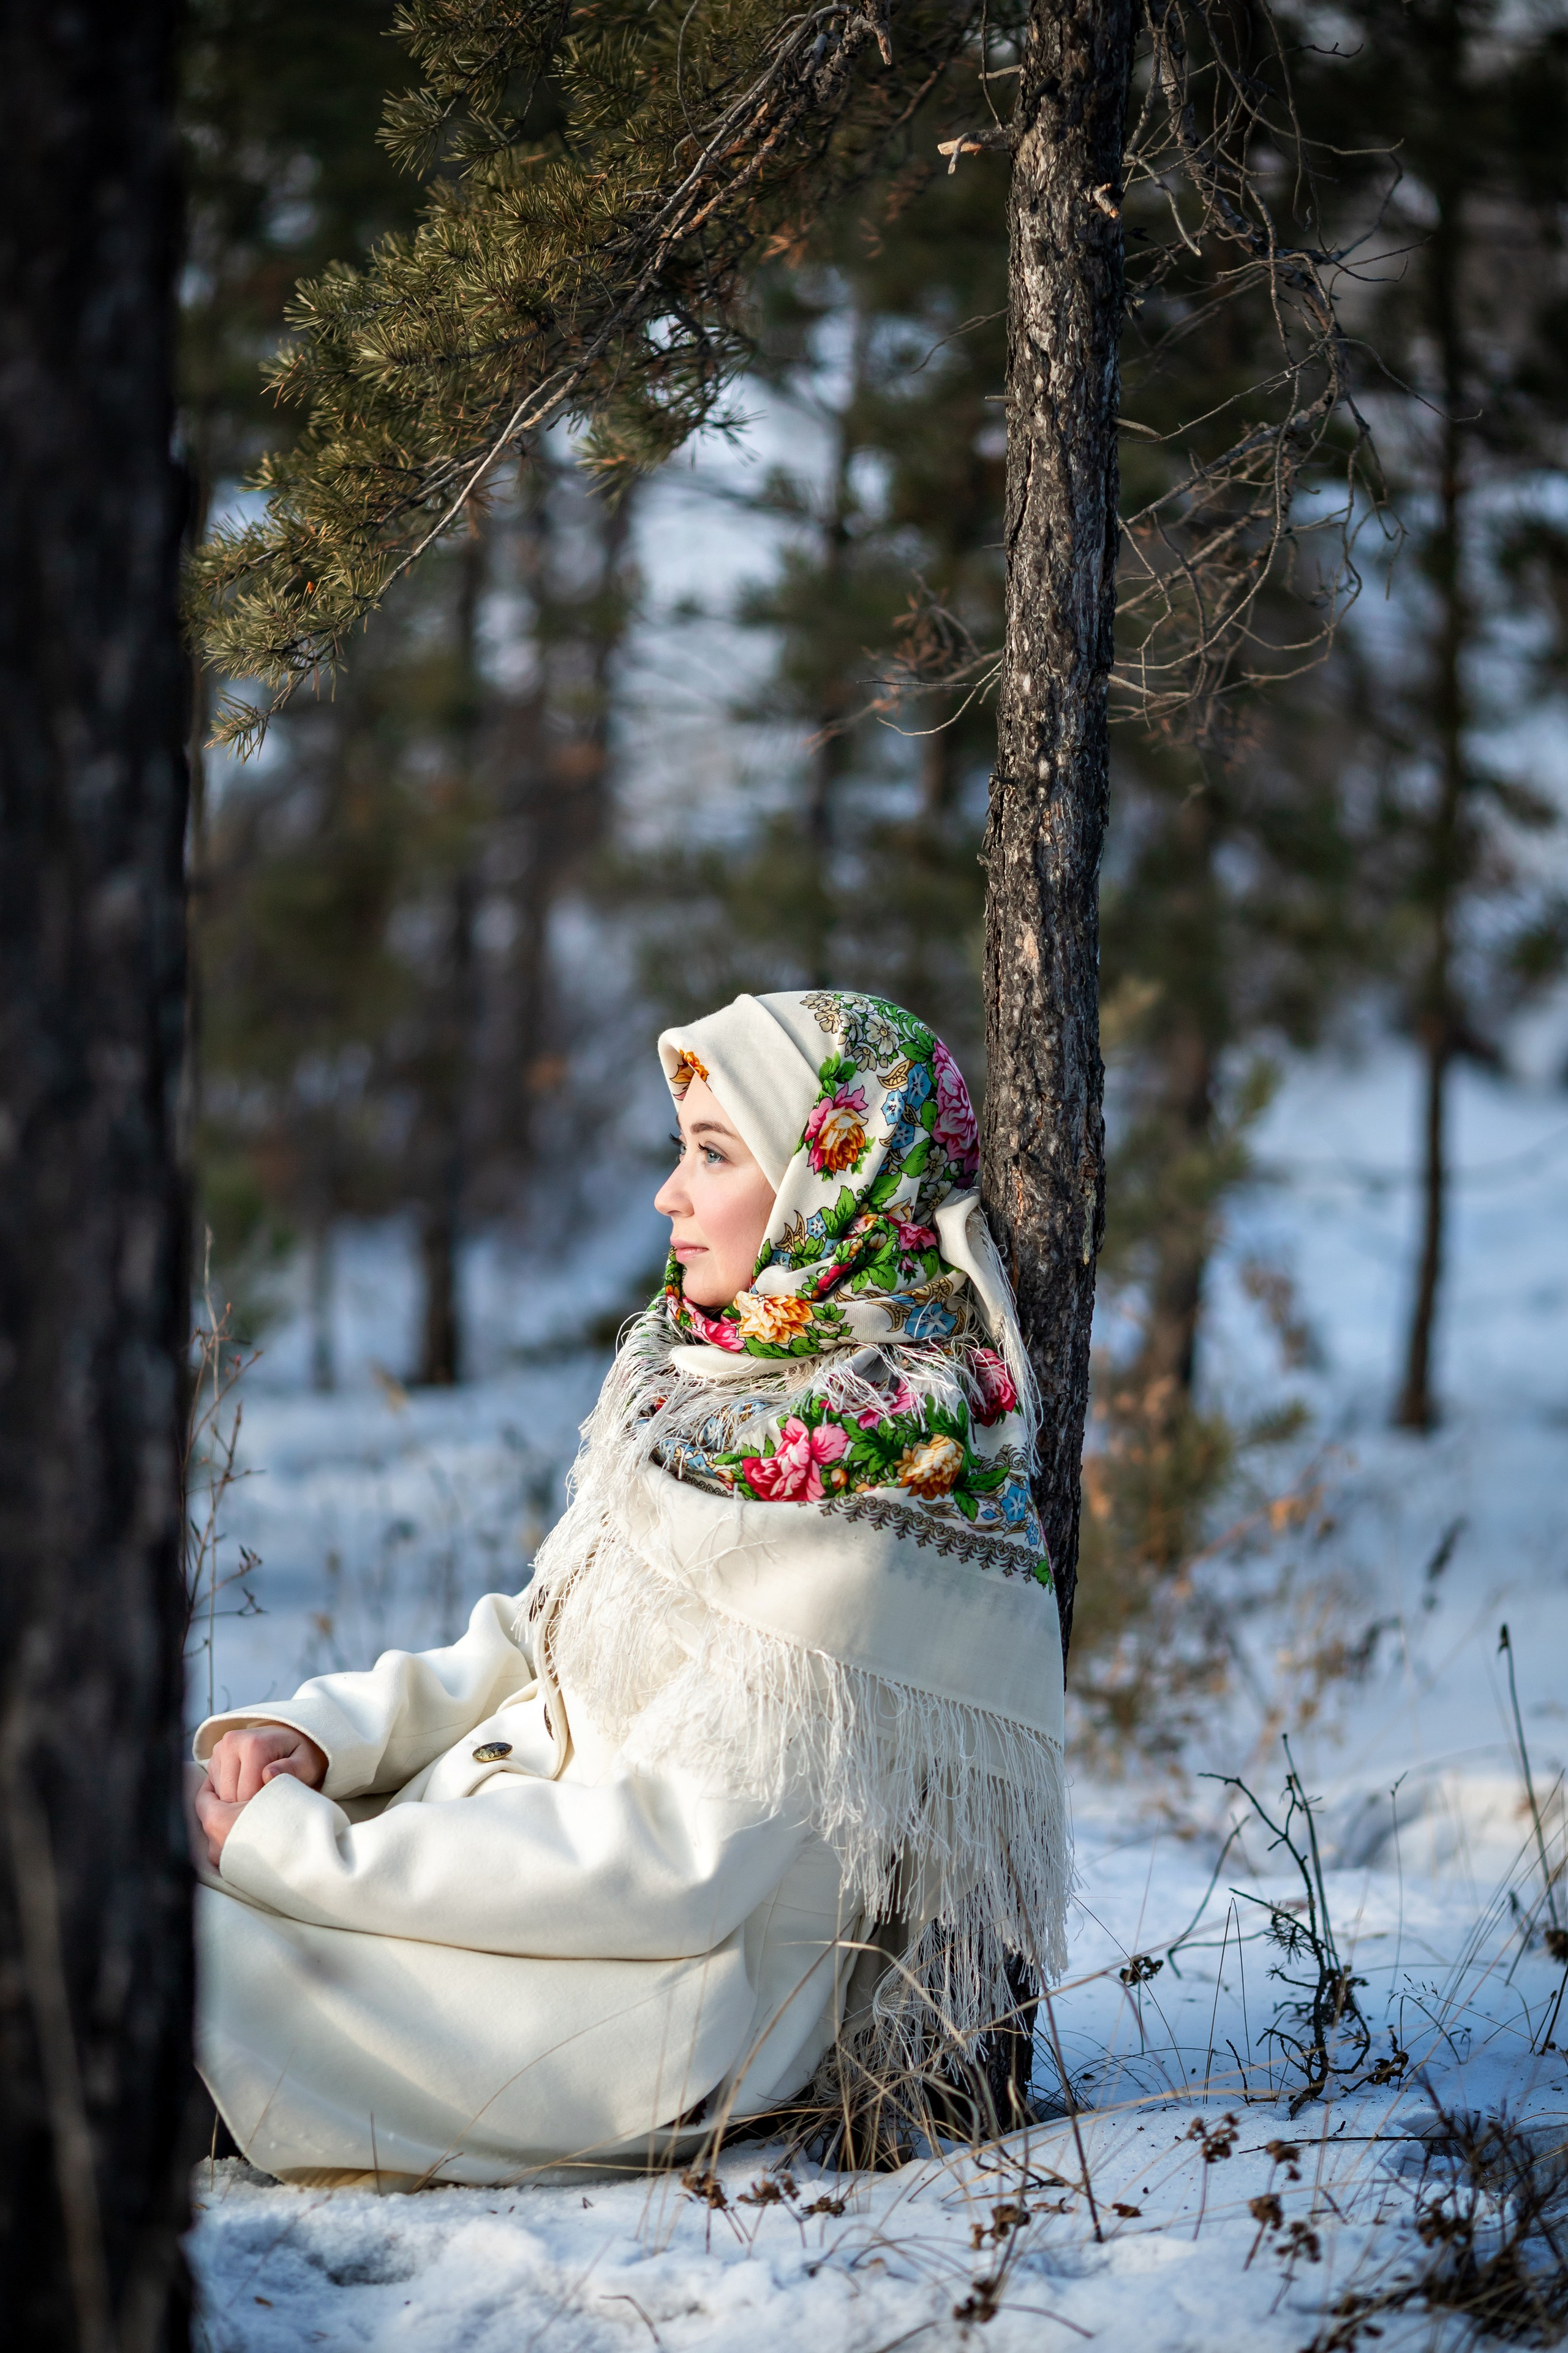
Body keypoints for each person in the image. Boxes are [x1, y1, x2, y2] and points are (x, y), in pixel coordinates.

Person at [192, 989, 1068, 2186]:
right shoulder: (701, 1392)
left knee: (133, 1956)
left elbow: (669, 1865)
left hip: (618, 2013)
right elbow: (545, 1633)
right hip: (492, 1902)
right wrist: (318, 1742)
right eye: (679, 1150)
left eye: (712, 1154)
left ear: (832, 1185)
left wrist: (301, 1855)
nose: (669, 1193)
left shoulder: (883, 1479)